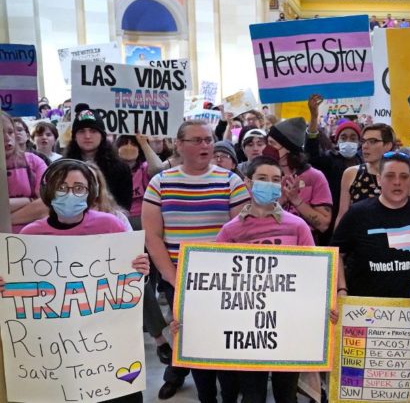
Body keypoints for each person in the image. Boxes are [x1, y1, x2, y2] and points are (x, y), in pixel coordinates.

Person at [0, 158, 150, 403]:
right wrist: (5, 287)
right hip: (53, 346)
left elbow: (129, 284)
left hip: (104, 340)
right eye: (62, 187)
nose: (70, 194)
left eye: (79, 188)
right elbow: (18, 291)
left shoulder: (110, 226)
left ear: (90, 192)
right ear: (48, 191)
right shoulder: (29, 236)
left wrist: (140, 270)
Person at [142, 119, 250, 401]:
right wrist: (172, 277)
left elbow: (243, 233)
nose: (205, 145)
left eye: (208, 140)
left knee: (225, 345)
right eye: (197, 140)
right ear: (179, 144)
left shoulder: (231, 181)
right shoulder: (160, 182)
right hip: (177, 278)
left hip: (225, 283)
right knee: (195, 344)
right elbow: (153, 236)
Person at [212, 156, 313, 403]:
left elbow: (313, 275)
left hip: (288, 327)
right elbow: (217, 282)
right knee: (252, 395)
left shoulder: (298, 227)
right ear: (248, 182)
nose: (270, 185)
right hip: (247, 330)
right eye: (262, 179)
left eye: (276, 180)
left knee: (286, 395)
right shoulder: (230, 231)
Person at [332, 151, 410, 298]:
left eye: (404, 177)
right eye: (390, 176)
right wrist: (341, 289)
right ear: (379, 179)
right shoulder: (358, 213)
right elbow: (336, 253)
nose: (397, 182)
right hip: (367, 309)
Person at [335, 123, 410, 227]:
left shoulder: (406, 177)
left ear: (387, 145)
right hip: (359, 238)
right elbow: (342, 216)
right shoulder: (351, 174)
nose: (365, 146)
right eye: (364, 141)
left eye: (372, 141)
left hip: (396, 236)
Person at [305, 94, 363, 236]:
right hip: (333, 224)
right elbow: (312, 154)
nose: (348, 140)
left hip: (360, 222)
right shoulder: (329, 160)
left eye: (353, 137)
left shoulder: (364, 163)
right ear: (337, 141)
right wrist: (313, 118)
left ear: (359, 142)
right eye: (343, 137)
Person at [267, 117, 333, 238]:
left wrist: (296, 200)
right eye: (267, 142)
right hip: (271, 242)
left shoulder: (314, 177)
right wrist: (281, 200)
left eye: (272, 143)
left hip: (304, 245)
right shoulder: (264, 174)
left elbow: (323, 224)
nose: (267, 148)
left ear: (288, 148)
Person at [64, 106, 132, 211]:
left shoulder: (120, 168)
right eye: (82, 131)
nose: (87, 136)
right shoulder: (62, 167)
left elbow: (124, 207)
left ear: (102, 135)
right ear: (74, 136)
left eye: (93, 131)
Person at [3, 112, 48, 232]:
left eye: (10, 132)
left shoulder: (34, 161)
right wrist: (29, 201)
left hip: (32, 239)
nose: (7, 138)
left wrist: (6, 220)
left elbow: (47, 204)